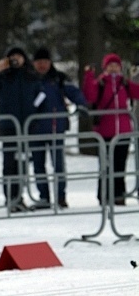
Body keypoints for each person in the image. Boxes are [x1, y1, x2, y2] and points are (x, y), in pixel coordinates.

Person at [0, 47, 44, 212]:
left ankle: (20, 196)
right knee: (10, 163)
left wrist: (36, 114)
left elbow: (41, 95)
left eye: (19, 56)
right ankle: (10, 198)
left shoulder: (31, 75)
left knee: (23, 163)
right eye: (12, 57)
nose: (16, 60)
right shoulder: (4, 76)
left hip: (27, 126)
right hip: (9, 127)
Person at [29, 47, 87, 210]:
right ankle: (44, 197)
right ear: (34, 63)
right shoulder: (29, 79)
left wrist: (81, 104)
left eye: (45, 62)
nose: (42, 65)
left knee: (58, 165)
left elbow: (73, 92)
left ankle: (61, 196)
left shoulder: (59, 78)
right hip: (35, 129)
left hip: (56, 128)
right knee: (38, 165)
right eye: (39, 62)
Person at [82, 53, 139, 205]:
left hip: (123, 131)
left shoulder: (124, 83)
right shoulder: (100, 83)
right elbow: (90, 96)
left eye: (116, 65)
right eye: (110, 65)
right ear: (105, 67)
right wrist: (88, 76)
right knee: (106, 165)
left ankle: (119, 195)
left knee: (120, 165)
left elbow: (137, 91)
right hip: (105, 131)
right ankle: (105, 194)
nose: (113, 68)